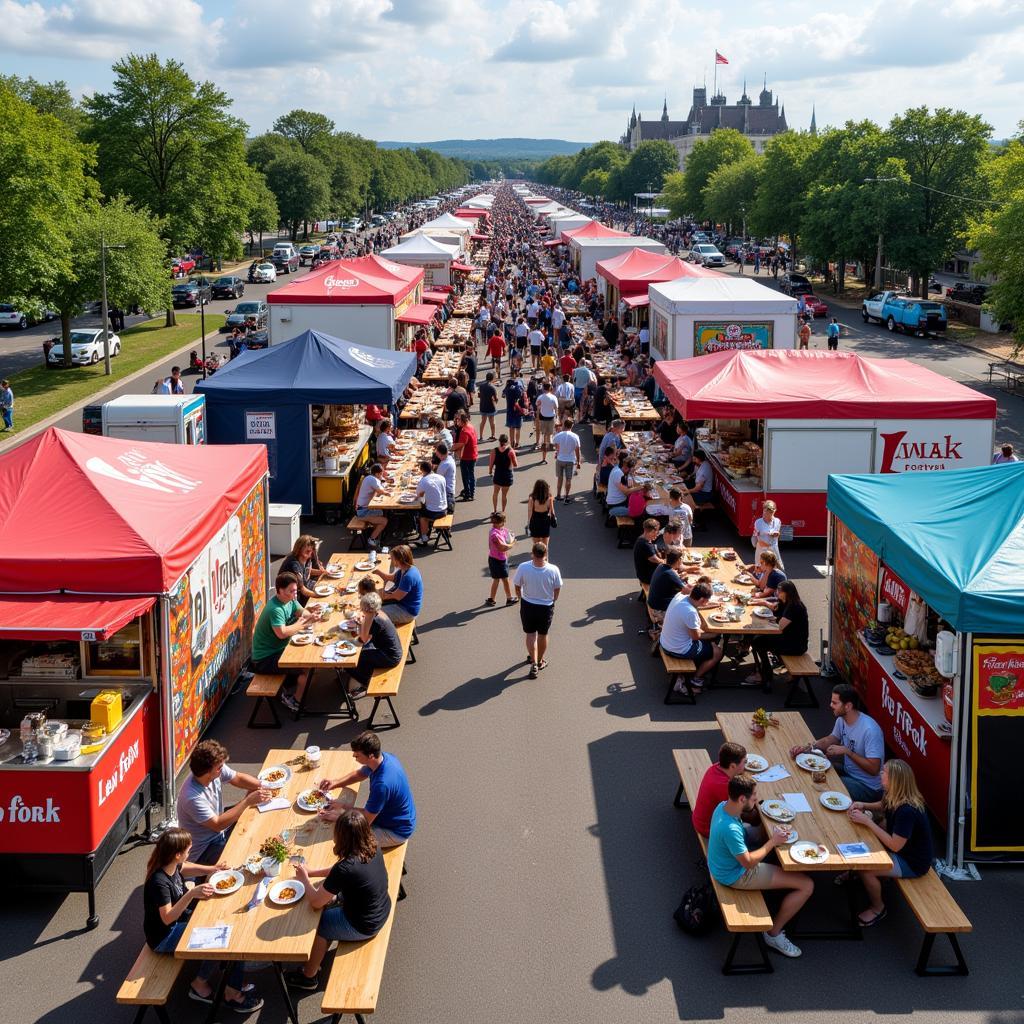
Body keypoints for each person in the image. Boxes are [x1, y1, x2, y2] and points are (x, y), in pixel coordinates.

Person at [143, 828, 263, 1012]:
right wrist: (191, 894)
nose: (189, 853)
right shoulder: (159, 882)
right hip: (164, 937)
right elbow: (167, 918)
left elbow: (187, 866)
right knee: (222, 939)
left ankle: (231, 978)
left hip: (179, 921)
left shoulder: (170, 864)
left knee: (224, 926)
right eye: (187, 850)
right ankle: (210, 987)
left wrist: (213, 869)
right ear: (176, 855)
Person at [707, 774, 813, 959]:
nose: (756, 799)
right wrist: (773, 842)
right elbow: (748, 862)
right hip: (737, 875)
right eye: (754, 797)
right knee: (807, 885)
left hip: (721, 864)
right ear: (742, 798)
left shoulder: (722, 807)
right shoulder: (730, 829)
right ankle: (773, 934)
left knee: (764, 836)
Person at [285, 811, 391, 991]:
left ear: (341, 836)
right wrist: (312, 872)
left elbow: (316, 902)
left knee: (321, 922)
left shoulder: (345, 868)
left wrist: (304, 879)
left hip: (364, 924)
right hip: (381, 907)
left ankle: (308, 976)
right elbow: (338, 871)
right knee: (330, 902)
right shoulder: (372, 845)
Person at [847, 759, 935, 926]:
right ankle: (854, 871)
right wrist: (863, 804)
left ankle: (878, 908)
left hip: (912, 862)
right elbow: (883, 805)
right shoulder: (894, 793)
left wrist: (867, 821)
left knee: (866, 869)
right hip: (902, 850)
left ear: (895, 780)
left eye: (884, 772)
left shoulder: (907, 811)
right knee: (866, 838)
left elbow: (895, 845)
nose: (880, 773)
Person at [176, 740, 271, 865]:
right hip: (204, 849)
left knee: (256, 823)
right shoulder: (192, 798)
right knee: (248, 851)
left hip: (218, 833)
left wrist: (265, 785)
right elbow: (218, 824)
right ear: (208, 771)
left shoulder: (214, 770)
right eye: (220, 767)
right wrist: (247, 801)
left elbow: (237, 778)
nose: (223, 768)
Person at [317, 731, 417, 848]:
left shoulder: (382, 785)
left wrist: (339, 815)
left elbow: (364, 821)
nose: (354, 756)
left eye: (357, 755)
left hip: (395, 831)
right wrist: (335, 783)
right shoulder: (384, 758)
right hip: (396, 817)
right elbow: (360, 774)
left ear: (370, 756)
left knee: (345, 841)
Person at [790, 684, 884, 802]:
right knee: (814, 771)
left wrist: (848, 752)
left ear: (848, 706)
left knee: (822, 784)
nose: (830, 705)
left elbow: (874, 768)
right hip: (849, 772)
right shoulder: (842, 719)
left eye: (835, 703)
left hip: (868, 787)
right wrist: (807, 748)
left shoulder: (870, 730)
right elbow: (831, 739)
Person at [251, 571, 319, 712]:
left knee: (309, 659)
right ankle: (295, 701)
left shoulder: (290, 600)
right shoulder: (275, 609)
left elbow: (301, 611)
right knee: (306, 669)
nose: (295, 594)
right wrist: (301, 625)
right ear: (280, 591)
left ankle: (291, 686)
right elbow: (281, 633)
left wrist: (312, 616)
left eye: (295, 590)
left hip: (279, 650)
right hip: (264, 660)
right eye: (291, 591)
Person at [691, 742, 764, 844]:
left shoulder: (715, 768)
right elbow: (752, 819)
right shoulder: (726, 787)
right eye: (744, 762)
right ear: (733, 766)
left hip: (700, 819)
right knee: (761, 831)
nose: (746, 765)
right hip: (708, 829)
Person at [745, 580, 809, 690]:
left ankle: (766, 675)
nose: (777, 592)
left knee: (758, 641)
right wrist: (760, 603)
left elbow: (780, 627)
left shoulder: (794, 606)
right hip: (789, 639)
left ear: (787, 592)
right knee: (757, 639)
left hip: (795, 645)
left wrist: (766, 621)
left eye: (780, 591)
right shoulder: (785, 602)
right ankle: (764, 671)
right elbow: (774, 608)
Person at [659, 582, 724, 691]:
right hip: (678, 649)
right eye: (707, 600)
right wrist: (715, 633)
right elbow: (696, 637)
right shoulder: (690, 612)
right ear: (702, 600)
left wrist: (716, 603)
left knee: (709, 640)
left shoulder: (680, 597)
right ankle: (696, 679)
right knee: (717, 652)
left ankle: (698, 665)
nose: (707, 602)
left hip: (666, 642)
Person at [513, 541, 563, 679]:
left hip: (528, 605)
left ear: (532, 553)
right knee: (542, 634)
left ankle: (533, 661)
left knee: (530, 635)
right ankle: (540, 661)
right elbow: (557, 588)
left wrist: (520, 597)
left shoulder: (523, 567)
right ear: (545, 554)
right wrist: (553, 599)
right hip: (546, 607)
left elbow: (517, 586)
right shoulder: (554, 569)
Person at [346, 592, 403, 696]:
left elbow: (363, 639)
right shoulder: (378, 613)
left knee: (352, 658)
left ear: (365, 608)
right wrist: (361, 622)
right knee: (362, 653)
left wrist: (361, 623)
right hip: (393, 651)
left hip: (390, 657)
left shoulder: (373, 620)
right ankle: (359, 676)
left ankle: (364, 682)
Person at [374, 544, 423, 625]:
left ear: (399, 560)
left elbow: (397, 596)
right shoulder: (405, 569)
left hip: (406, 612)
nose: (391, 560)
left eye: (392, 558)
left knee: (374, 615)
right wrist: (378, 572)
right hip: (401, 604)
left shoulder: (408, 576)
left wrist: (383, 595)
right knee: (371, 597)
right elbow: (391, 578)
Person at [485, 511, 517, 607]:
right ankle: (509, 598)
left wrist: (510, 536)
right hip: (499, 560)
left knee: (496, 579)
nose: (504, 524)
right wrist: (512, 544)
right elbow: (502, 547)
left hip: (494, 558)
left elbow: (507, 533)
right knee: (505, 579)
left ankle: (491, 599)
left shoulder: (500, 529)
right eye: (503, 521)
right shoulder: (494, 535)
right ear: (500, 522)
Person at [647, 548, 686, 626]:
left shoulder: (661, 566)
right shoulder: (670, 574)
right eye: (681, 559)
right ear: (678, 560)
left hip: (654, 604)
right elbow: (687, 591)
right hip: (659, 610)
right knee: (689, 606)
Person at [414, 459, 448, 546]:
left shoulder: (424, 480)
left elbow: (418, 495)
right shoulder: (441, 477)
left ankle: (424, 537)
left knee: (421, 515)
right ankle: (427, 532)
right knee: (426, 508)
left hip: (435, 511)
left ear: (422, 470)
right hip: (444, 509)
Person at [281, 534, 322, 604]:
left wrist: (323, 572)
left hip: (305, 586)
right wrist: (319, 595)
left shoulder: (306, 556)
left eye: (311, 548)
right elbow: (302, 589)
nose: (310, 550)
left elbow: (307, 571)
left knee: (327, 586)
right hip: (293, 595)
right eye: (307, 547)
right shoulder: (294, 564)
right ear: (299, 548)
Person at [552, 418, 581, 504]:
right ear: (572, 426)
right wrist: (578, 462)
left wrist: (558, 451)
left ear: (564, 425)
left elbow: (555, 444)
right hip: (570, 460)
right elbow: (577, 450)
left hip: (560, 459)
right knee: (568, 479)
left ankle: (558, 495)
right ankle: (567, 497)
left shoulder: (559, 435)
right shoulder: (575, 436)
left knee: (560, 478)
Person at [452, 411, 479, 501]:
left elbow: (460, 444)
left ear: (462, 421)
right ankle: (470, 492)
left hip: (467, 456)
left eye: (458, 420)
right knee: (471, 474)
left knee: (466, 476)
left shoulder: (464, 431)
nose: (456, 422)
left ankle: (469, 494)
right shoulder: (471, 426)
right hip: (473, 454)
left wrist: (450, 448)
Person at [488, 433, 518, 512]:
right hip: (507, 475)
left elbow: (491, 463)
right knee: (504, 495)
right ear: (507, 441)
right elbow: (515, 465)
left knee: (495, 493)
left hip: (498, 474)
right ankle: (503, 511)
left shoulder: (494, 451)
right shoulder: (510, 451)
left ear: (499, 441)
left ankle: (495, 510)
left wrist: (490, 471)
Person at [751, 500, 784, 569]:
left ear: (773, 512)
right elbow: (755, 536)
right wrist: (760, 534)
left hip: (773, 550)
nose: (765, 514)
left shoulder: (778, 521)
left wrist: (777, 534)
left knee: (777, 570)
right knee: (761, 570)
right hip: (762, 550)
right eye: (764, 511)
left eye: (769, 513)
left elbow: (778, 535)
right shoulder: (758, 522)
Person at [632, 518, 664, 588]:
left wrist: (652, 538)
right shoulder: (646, 545)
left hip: (642, 573)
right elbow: (654, 559)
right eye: (657, 531)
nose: (657, 532)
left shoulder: (641, 538)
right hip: (648, 577)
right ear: (652, 531)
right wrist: (665, 562)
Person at [527, 477, 557, 547]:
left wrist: (529, 522)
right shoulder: (549, 499)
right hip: (545, 522)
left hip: (535, 521)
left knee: (536, 545)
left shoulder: (532, 499)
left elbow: (530, 511)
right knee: (545, 546)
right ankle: (546, 558)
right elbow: (552, 511)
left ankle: (537, 557)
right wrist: (554, 518)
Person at [535, 382, 559, 462]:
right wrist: (557, 417)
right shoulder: (553, 397)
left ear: (543, 388)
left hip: (543, 417)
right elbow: (556, 408)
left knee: (544, 434)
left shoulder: (540, 397)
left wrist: (537, 418)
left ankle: (544, 450)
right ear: (550, 388)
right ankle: (549, 446)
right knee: (550, 433)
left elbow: (537, 407)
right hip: (551, 417)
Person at [503, 374, 528, 449]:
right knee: (518, 428)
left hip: (510, 410)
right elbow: (521, 396)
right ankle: (517, 443)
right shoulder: (517, 388)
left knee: (511, 428)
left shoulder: (507, 388)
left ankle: (512, 443)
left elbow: (503, 395)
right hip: (518, 410)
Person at [433, 442, 457, 513]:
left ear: (441, 454)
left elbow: (436, 479)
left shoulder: (445, 464)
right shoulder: (449, 458)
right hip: (449, 491)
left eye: (437, 454)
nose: (437, 456)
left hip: (447, 494)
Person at [478, 371, 499, 439]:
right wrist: (495, 400)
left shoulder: (481, 386)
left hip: (483, 405)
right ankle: (493, 435)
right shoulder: (492, 387)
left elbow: (479, 395)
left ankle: (481, 436)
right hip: (490, 406)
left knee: (483, 421)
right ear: (492, 378)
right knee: (492, 421)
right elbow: (496, 399)